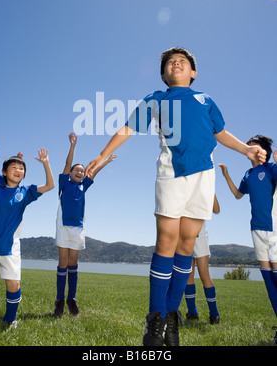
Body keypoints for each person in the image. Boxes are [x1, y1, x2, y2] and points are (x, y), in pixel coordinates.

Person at [86, 46, 267, 346]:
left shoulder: (205, 99)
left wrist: (246, 149)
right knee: (167, 242)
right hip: (170, 173)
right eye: (170, 63)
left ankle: (172, 316)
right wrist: (103, 153)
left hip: (203, 176)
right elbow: (128, 127)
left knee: (186, 247)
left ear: (193, 73)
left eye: (183, 62)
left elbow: (220, 133)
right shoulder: (157, 99)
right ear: (163, 74)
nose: (177, 64)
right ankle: (154, 317)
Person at [0, 146, 54, 328]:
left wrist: (46, 164)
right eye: (14, 167)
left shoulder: (26, 192)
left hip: (11, 246)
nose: (18, 170)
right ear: (4, 172)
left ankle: (10, 320)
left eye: (21, 168)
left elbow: (50, 186)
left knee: (13, 284)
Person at [218, 134, 277, 343]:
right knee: (268, 279)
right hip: (256, 230)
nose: (248, 147)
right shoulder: (249, 173)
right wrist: (226, 175)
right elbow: (237, 194)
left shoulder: (271, 169)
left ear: (263, 151)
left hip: (274, 230)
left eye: (252, 145)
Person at [54, 132, 116, 316]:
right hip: (63, 227)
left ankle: (71, 299)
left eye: (82, 171)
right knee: (63, 263)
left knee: (73, 264)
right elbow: (67, 164)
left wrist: (105, 162)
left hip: (78, 229)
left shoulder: (84, 186)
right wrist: (72, 145)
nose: (80, 172)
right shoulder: (64, 183)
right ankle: (59, 300)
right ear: (71, 173)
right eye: (77, 170)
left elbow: (93, 171)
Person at [184, 195, 220, 324]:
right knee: (188, 276)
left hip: (200, 235)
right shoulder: (184, 183)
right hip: (185, 234)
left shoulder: (204, 183)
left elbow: (216, 209)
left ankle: (214, 314)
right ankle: (192, 312)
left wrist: (211, 191)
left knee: (205, 275)